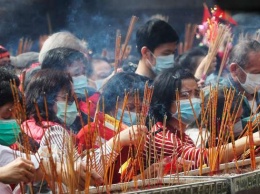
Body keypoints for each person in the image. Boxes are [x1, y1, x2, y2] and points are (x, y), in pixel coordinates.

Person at [143, 66, 260, 174]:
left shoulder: (183, 136)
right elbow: (201, 158)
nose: (194, 100)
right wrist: (251, 139)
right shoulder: (162, 137)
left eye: (197, 94)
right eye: (185, 95)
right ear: (166, 100)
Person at [225, 40, 260, 119]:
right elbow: (231, 127)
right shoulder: (223, 96)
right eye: (256, 72)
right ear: (234, 70)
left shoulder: (257, 92)